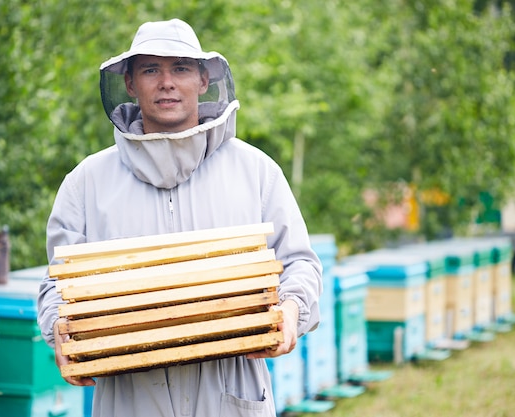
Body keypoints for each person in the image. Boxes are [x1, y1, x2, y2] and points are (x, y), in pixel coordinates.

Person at [38, 18, 322, 417]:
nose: (166, 82)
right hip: (131, 399)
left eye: (181, 69)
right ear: (132, 85)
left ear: (204, 80)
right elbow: (57, 282)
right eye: (151, 69)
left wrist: (290, 314)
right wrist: (59, 332)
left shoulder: (256, 171)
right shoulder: (87, 182)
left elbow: (300, 264)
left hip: (230, 395)